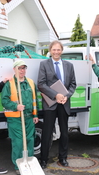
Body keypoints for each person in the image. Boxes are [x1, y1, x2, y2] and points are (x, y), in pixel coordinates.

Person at [37, 40, 77, 168]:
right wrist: (56, 95)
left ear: (62, 51)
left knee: (65, 132)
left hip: (64, 103)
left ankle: (63, 158)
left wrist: (66, 96)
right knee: (47, 133)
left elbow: (73, 84)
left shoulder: (69, 65)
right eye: (53, 49)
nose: (56, 52)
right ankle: (43, 160)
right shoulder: (44, 64)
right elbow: (41, 84)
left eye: (58, 49)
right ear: (50, 50)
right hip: (50, 103)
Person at [1, 60, 39, 175]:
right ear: (14, 69)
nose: (22, 70)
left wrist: (35, 115)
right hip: (15, 119)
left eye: (24, 68)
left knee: (30, 140)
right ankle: (18, 166)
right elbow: (4, 101)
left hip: (29, 118)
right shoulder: (10, 83)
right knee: (18, 142)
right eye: (19, 68)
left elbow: (35, 100)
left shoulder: (31, 83)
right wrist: (16, 106)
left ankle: (29, 163)